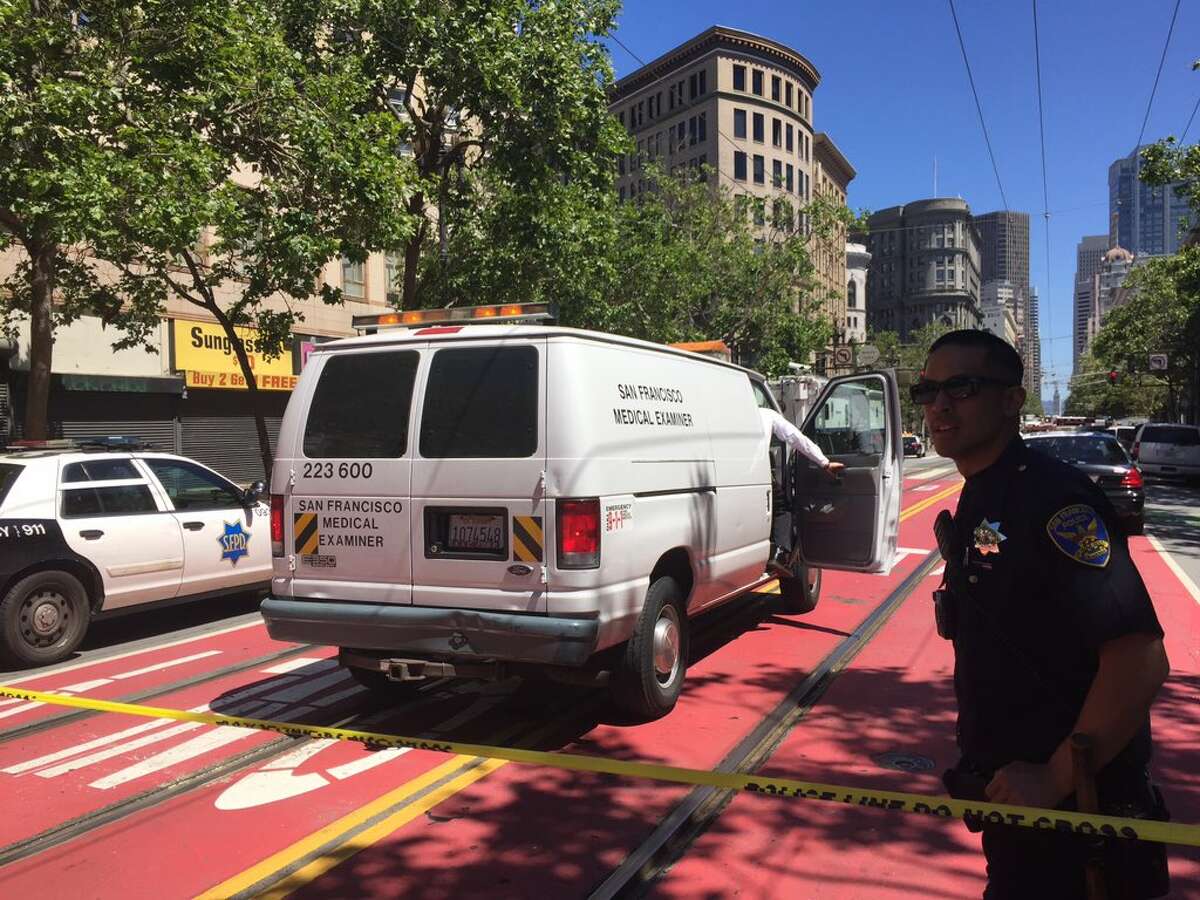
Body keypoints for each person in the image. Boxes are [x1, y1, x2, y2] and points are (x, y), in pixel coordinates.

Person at [916, 329, 1170, 899]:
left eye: (962, 387)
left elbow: (1140, 658)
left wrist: (1055, 776)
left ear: (1012, 400)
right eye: (927, 390)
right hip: (1021, 816)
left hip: (1079, 824)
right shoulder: (984, 494)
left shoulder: (1054, 503)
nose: (938, 404)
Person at [759, 406, 844, 574]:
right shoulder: (766, 414)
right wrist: (824, 462)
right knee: (782, 507)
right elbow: (796, 438)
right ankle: (779, 553)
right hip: (758, 475)